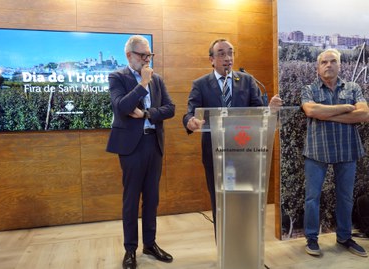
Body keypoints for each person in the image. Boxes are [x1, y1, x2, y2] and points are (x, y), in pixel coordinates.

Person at [182, 38, 282, 231]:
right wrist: (190, 121)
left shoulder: (246, 80)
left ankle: (244, 245)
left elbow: (259, 112)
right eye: (221, 54)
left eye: (231, 53)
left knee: (243, 199)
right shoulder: (201, 84)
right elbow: (190, 112)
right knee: (219, 201)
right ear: (211, 59)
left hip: (244, 151)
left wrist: (270, 109)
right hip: (214, 151)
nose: (227, 58)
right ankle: (224, 250)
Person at [106, 35, 175, 269]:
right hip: (130, 148)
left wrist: (147, 114)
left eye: (149, 55)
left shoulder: (158, 79)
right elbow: (122, 107)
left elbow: (170, 109)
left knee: (152, 199)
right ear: (129, 56)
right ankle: (130, 249)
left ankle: (150, 244)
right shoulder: (117, 77)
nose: (147, 60)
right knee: (131, 199)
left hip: (153, 144)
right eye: (142, 55)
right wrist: (142, 84)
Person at [301, 48, 369, 257]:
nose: (328, 65)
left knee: (345, 197)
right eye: (324, 62)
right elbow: (312, 111)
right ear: (318, 67)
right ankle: (311, 238)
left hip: (347, 150)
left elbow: (364, 114)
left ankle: (344, 237)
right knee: (312, 197)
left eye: (333, 62)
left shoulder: (353, 87)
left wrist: (326, 114)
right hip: (317, 151)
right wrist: (346, 108)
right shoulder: (308, 89)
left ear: (339, 65)